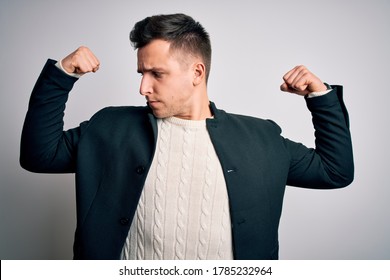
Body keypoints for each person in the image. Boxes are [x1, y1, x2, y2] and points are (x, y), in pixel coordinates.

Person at [20, 13, 354, 260]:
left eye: (157, 74)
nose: (143, 87)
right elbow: (39, 155)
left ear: (197, 72)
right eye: (142, 73)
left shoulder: (260, 137)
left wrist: (320, 97)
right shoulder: (110, 127)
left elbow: (335, 172)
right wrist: (61, 76)